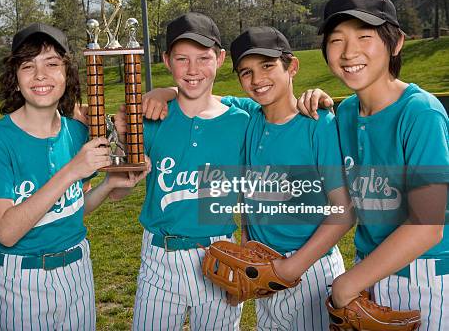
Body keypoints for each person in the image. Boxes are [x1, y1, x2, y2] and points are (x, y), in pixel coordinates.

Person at [144, 26, 354, 330]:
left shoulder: (317, 123)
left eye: (267, 66)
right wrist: (164, 92)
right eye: (246, 72)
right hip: (263, 268)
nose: (257, 80)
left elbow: (344, 211)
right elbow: (199, 92)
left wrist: (289, 268)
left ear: (292, 66)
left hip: (310, 268)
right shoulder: (249, 117)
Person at [0, 23, 148, 331]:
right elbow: (6, 232)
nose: (40, 75)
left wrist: (109, 184)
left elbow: (71, 210)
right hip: (24, 279)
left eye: (52, 64)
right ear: (14, 80)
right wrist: (71, 171)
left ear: (67, 76)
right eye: (28, 66)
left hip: (78, 270)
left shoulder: (77, 132)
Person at [302, 0, 449, 329]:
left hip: (423, 278)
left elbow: (428, 227)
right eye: (336, 40)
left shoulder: (420, 113)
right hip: (368, 273)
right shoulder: (347, 111)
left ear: (395, 43)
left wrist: (347, 283)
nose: (349, 51)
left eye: (365, 36)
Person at [116, 12, 249, 330]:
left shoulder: (242, 122)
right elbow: (118, 191)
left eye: (203, 58)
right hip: (159, 257)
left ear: (219, 58)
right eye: (182, 59)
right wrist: (123, 151)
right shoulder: (151, 119)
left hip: (218, 254)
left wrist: (244, 257)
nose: (193, 70)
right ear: (166, 60)